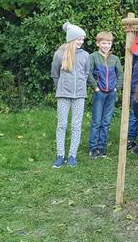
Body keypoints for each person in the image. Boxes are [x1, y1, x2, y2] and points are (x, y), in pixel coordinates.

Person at [51, 22, 90, 168]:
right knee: (61, 125)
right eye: (78, 39)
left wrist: (80, 85)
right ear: (71, 38)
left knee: (76, 125)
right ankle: (60, 155)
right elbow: (55, 74)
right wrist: (61, 87)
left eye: (82, 39)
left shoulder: (85, 55)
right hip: (63, 94)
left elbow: (86, 73)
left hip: (79, 95)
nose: (81, 42)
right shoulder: (59, 54)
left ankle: (72, 155)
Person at [87, 31, 123, 158]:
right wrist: (95, 87)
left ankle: (102, 147)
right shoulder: (93, 57)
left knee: (106, 121)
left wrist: (116, 88)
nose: (106, 45)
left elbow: (120, 74)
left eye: (109, 43)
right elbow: (88, 73)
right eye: (103, 43)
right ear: (98, 43)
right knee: (96, 121)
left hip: (111, 94)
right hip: (99, 93)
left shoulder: (115, 59)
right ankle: (93, 147)